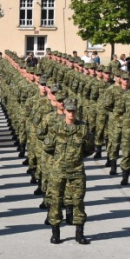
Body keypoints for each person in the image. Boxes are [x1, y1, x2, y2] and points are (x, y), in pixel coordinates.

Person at [45, 99, 96, 244]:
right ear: (65, 111)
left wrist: (77, 157)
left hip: (77, 170)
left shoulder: (83, 129)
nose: (71, 113)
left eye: (74, 111)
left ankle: (79, 233)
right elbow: (48, 147)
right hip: (58, 170)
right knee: (55, 200)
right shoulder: (56, 128)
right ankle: (56, 232)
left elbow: (89, 148)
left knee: (78, 201)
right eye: (69, 111)